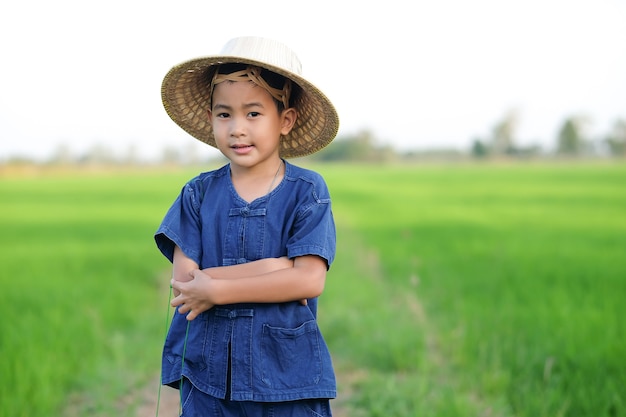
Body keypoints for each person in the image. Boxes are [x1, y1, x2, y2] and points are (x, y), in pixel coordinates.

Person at [155, 36, 340, 416]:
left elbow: (308, 281)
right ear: (211, 120)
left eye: (253, 114)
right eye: (225, 114)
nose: (238, 128)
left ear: (285, 120)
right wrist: (276, 268)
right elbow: (188, 286)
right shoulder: (198, 194)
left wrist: (217, 289)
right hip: (210, 379)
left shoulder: (307, 192)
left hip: (287, 376)